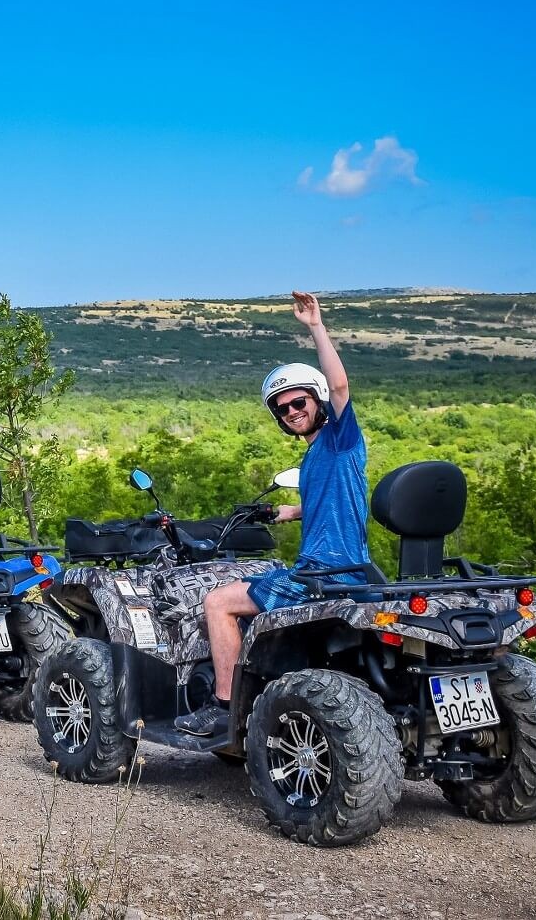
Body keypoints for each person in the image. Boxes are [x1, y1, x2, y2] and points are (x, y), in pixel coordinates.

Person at [174, 291, 370, 737]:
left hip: (323, 575)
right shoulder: (320, 457)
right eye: (283, 409)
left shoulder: (340, 439)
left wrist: (315, 326)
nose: (292, 411)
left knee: (217, 601)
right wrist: (288, 511)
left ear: (317, 400)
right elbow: (333, 503)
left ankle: (223, 705)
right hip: (344, 570)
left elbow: (340, 386)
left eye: (299, 402)